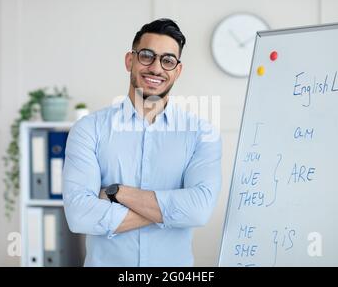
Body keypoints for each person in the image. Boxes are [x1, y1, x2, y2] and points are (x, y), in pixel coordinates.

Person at [62, 18, 222, 266]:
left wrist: (117, 193)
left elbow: (199, 211)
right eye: (147, 56)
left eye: (167, 60)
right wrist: (174, 207)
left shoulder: (202, 134)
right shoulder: (88, 130)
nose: (156, 68)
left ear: (177, 71)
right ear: (130, 60)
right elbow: (79, 215)